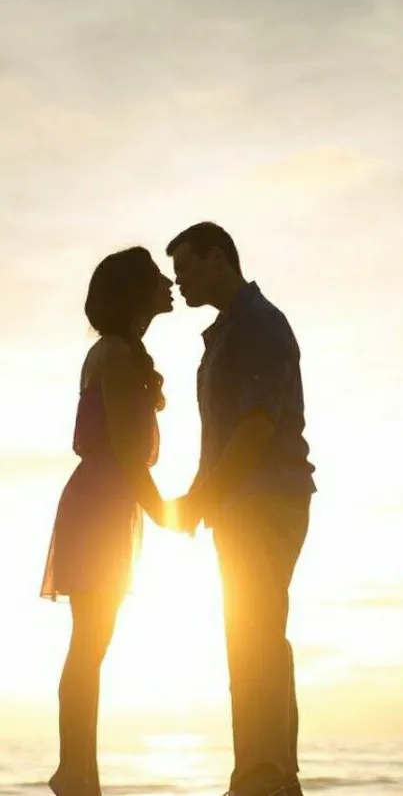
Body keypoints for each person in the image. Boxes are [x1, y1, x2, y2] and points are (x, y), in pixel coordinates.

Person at [166, 222, 316, 796]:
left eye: (185, 270)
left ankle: (264, 777)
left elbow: (256, 426)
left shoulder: (258, 324)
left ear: (217, 258)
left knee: (256, 635)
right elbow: (223, 435)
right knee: (255, 635)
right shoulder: (226, 331)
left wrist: (203, 495)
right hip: (239, 501)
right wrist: (202, 494)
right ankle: (268, 775)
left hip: (267, 499)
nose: (179, 284)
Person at [40, 247, 174, 796]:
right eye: (157, 278)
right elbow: (123, 446)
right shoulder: (116, 355)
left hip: (110, 501)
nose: (169, 284)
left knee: (93, 641)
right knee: (90, 642)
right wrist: (169, 513)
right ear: (135, 293)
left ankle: (81, 772)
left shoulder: (122, 352)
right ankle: (75, 772)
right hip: (101, 501)